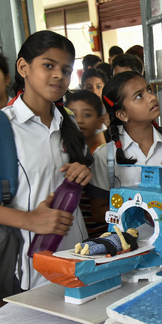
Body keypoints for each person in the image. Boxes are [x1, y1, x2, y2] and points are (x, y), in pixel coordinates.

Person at [0, 30, 92, 291]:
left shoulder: (68, 120)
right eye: (48, 65)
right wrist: (30, 220)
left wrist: (82, 172)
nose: (59, 75)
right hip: (31, 264)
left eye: (66, 69)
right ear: (23, 67)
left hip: (78, 253)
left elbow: (75, 173)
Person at [88, 71, 162, 223]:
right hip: (129, 243)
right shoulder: (106, 155)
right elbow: (98, 210)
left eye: (149, 90)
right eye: (139, 96)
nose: (152, 97)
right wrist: (140, 215)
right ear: (122, 114)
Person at [66, 90, 108, 237]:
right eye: (72, 114)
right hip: (71, 233)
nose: (79, 120)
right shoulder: (63, 155)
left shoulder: (105, 155)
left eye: (87, 115)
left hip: (102, 232)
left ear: (99, 121)